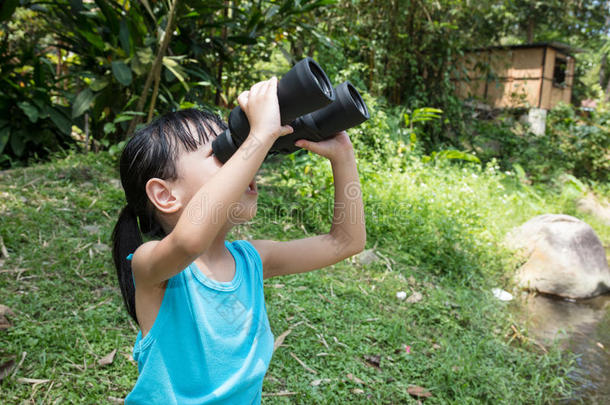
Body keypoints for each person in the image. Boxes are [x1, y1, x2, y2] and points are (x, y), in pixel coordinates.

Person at [111, 76, 366, 404]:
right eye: (223, 151)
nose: (246, 164)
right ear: (165, 195)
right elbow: (189, 241)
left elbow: (346, 242)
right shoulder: (151, 265)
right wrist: (258, 136)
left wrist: (342, 156)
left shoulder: (253, 259)